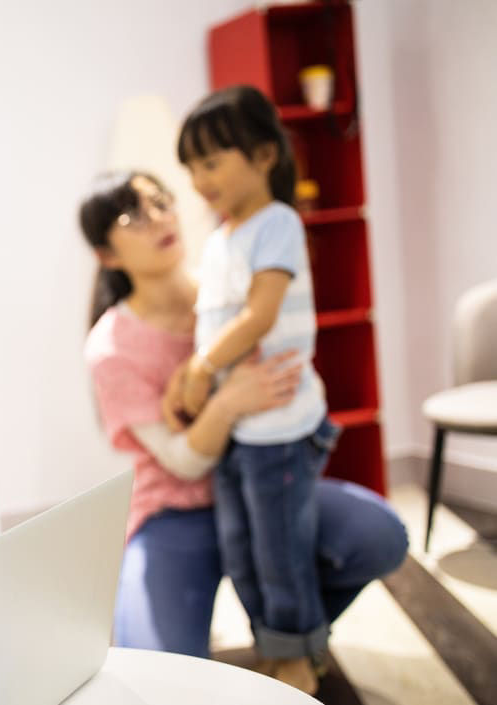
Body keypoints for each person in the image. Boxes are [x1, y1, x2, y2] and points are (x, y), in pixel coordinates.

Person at [80, 170, 407, 688]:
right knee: (159, 673)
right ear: (106, 254)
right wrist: (226, 402)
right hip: (177, 513)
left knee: (380, 536)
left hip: (267, 485)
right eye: (134, 216)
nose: (160, 218)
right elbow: (182, 462)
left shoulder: (233, 286)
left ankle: (289, 639)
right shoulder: (112, 346)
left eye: (162, 202)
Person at [167, 84, 336, 693]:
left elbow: (259, 315)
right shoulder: (220, 239)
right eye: (191, 167)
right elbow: (214, 319)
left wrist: (203, 369)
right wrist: (191, 372)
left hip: (282, 429)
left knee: (281, 553)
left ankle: (299, 657)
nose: (198, 179)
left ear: (264, 155)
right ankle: (273, 643)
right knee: (240, 551)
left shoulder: (278, 223)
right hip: (241, 429)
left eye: (211, 162)